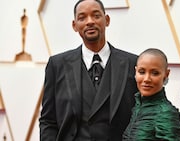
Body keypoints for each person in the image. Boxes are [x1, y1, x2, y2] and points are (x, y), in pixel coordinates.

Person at [39, 0, 138, 140]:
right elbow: (48, 120)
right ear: (74, 25)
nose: (89, 21)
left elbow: (144, 117)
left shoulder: (133, 63)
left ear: (107, 20)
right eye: (82, 17)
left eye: (96, 16)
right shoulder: (57, 65)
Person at [123, 48, 180, 141]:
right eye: (142, 72)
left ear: (166, 74)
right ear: (135, 72)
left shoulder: (166, 113)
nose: (146, 79)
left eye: (155, 73)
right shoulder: (137, 107)